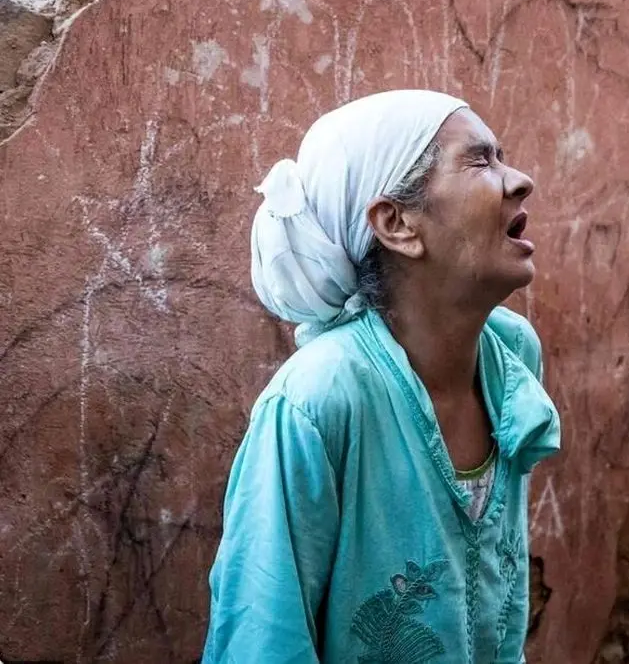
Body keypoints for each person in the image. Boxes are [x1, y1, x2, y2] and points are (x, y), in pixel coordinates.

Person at [202, 90, 561, 664]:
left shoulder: (510, 356)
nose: (518, 181)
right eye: (479, 161)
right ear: (396, 223)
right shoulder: (316, 401)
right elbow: (261, 638)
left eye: (502, 156)